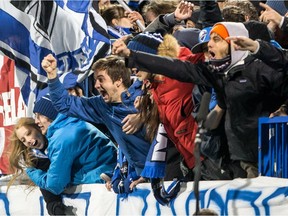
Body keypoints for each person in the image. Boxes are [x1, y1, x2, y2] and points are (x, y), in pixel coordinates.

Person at [112, 21, 288, 178]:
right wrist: (132, 55)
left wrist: (258, 47)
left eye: (216, 39)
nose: (210, 45)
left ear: (236, 42)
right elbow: (173, 67)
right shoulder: (213, 74)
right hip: (232, 159)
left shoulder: (259, 68)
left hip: (269, 155)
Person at [41, 54, 151, 196]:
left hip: (166, 170)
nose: (96, 86)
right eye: (95, 80)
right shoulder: (101, 106)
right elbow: (65, 104)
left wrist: (144, 115)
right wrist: (52, 75)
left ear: (118, 80)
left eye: (101, 80)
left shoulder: (145, 93)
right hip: (140, 178)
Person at [8, 96, 117, 214]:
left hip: (102, 180)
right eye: (23, 140)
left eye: (39, 115)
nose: (36, 121)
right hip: (105, 176)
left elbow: (54, 185)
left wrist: (31, 171)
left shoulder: (61, 138)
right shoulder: (69, 125)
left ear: (49, 114)